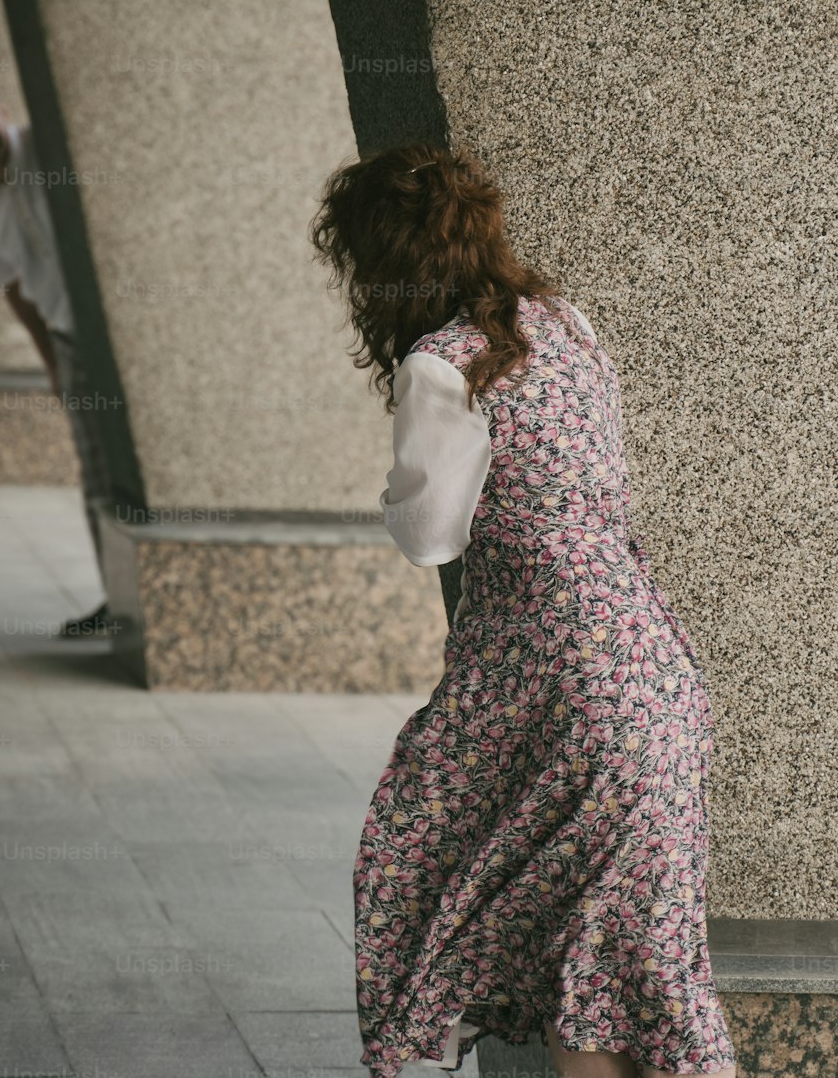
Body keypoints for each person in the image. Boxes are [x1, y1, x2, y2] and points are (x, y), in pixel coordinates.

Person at [311, 143, 737, 1078]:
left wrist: (400, 483)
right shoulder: (566, 323)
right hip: (656, 678)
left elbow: (430, 537)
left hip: (567, 696)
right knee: (628, 970)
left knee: (557, 953)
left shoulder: (440, 365)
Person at [0, 80, 112, 638]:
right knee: (97, 475)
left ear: (2, 111)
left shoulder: (48, 149)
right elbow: (12, 286)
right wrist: (52, 363)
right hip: (68, 338)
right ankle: (121, 599)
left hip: (116, 329)